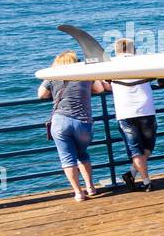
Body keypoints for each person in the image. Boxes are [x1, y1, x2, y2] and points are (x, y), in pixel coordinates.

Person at [38, 51, 110, 202]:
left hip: (60, 121)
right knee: (82, 154)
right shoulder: (85, 74)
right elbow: (100, 89)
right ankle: (90, 187)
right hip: (82, 122)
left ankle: (78, 193)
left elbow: (41, 94)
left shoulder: (53, 75)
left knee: (67, 158)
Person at [110, 38, 157, 191]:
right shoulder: (143, 62)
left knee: (135, 149)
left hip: (125, 111)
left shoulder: (110, 65)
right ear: (133, 49)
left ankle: (143, 180)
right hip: (146, 109)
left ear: (116, 50)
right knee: (149, 146)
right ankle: (137, 176)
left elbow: (100, 85)